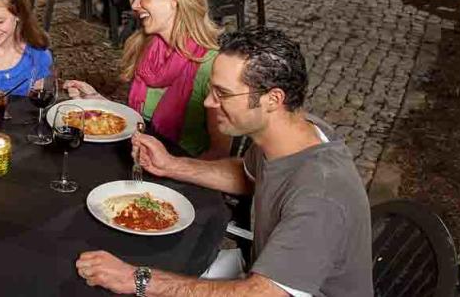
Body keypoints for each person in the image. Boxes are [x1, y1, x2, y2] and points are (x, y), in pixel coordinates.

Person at [75, 28, 372, 297]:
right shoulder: (291, 134)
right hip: (260, 268)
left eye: (223, 94)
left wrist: (136, 279)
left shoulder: (320, 196)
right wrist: (171, 165)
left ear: (272, 99)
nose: (208, 103)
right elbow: (247, 174)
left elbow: (260, 293)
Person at [64, 0, 229, 158]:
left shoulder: (213, 66)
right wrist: (98, 102)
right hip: (138, 155)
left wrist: (173, 169)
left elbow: (220, 153)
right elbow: (139, 122)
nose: (134, 5)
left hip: (180, 172)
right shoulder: (147, 47)